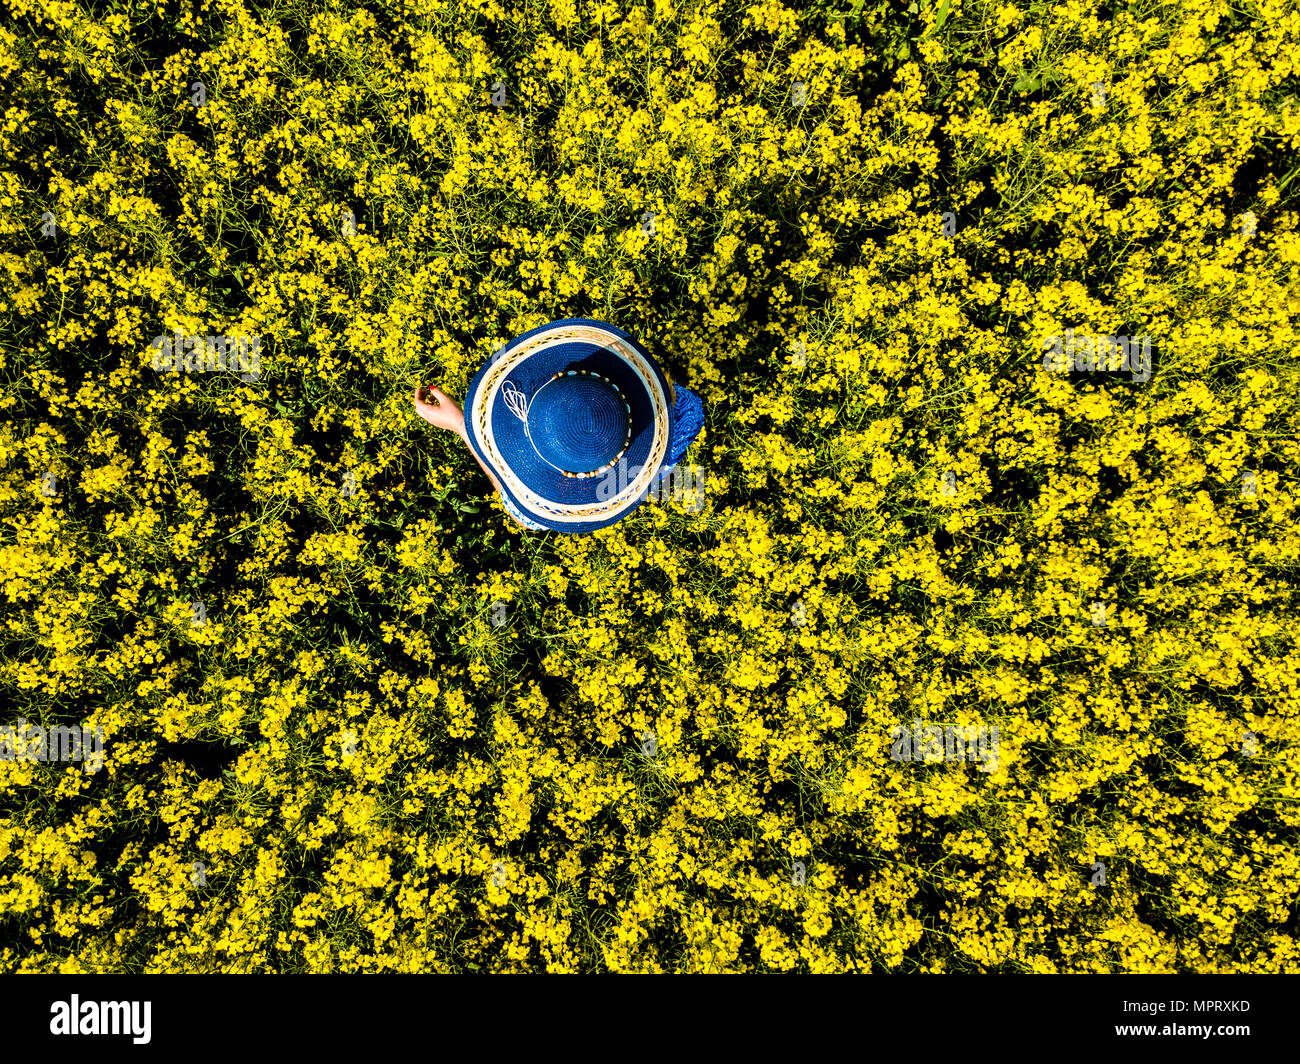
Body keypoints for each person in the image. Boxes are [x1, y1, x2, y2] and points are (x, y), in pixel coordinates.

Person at [412, 318, 704, 533]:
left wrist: (461, 426)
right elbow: (514, 500)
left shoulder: (682, 417)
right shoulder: (683, 418)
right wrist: (462, 425)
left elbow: (520, 514)